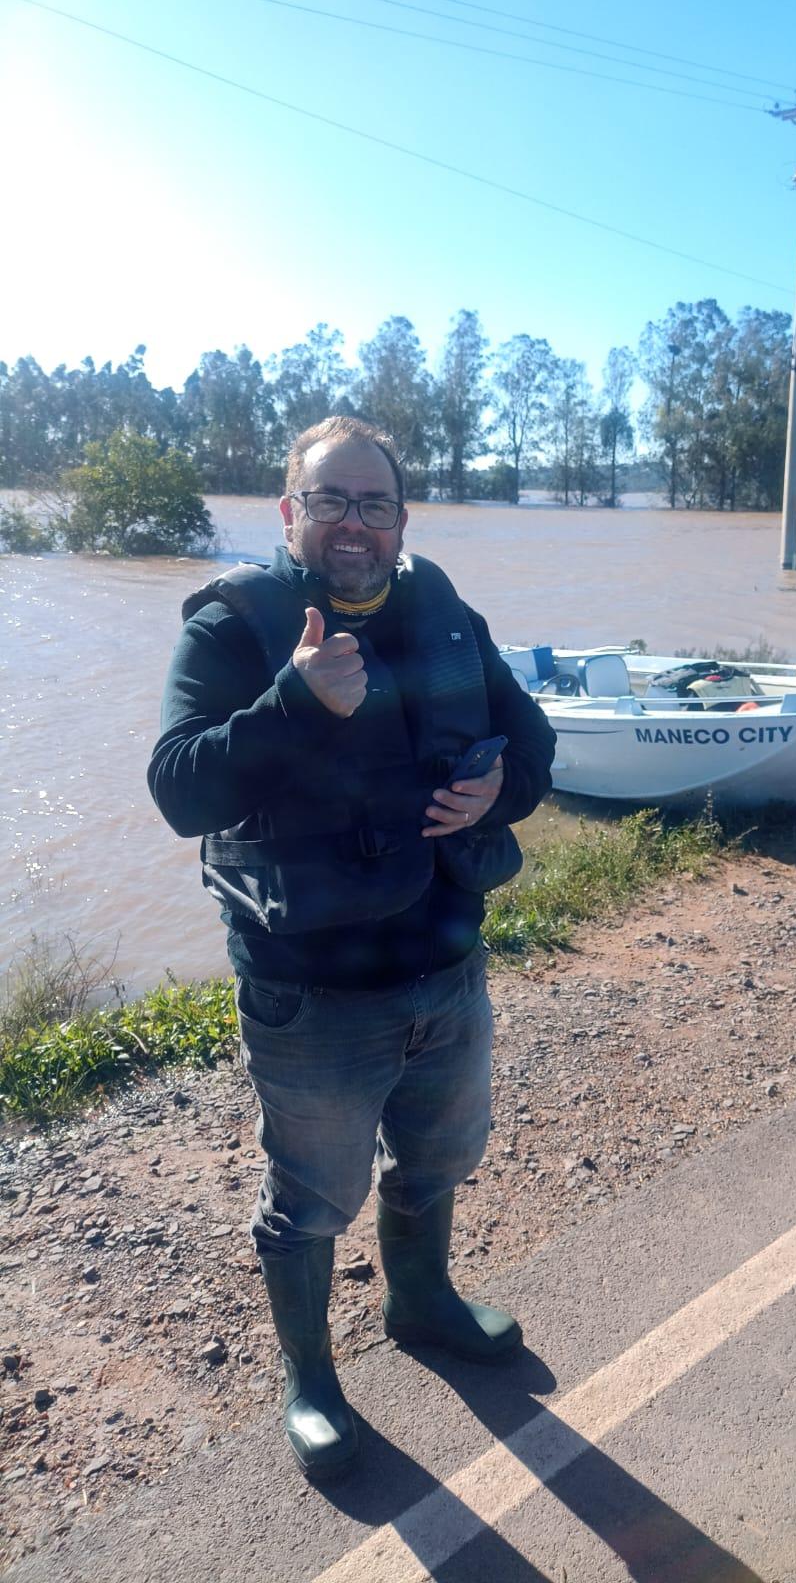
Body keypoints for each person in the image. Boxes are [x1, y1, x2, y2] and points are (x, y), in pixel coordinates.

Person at [148, 415, 555, 1478]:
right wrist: (293, 702)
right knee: (313, 1198)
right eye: (330, 500)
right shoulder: (234, 628)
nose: (353, 523)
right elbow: (177, 789)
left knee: (439, 1155)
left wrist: (496, 793)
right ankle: (312, 1380)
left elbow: (532, 742)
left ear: (401, 520)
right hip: (312, 995)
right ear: (290, 511)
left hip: (447, 966)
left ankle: (420, 1301)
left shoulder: (443, 611)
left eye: (374, 503)